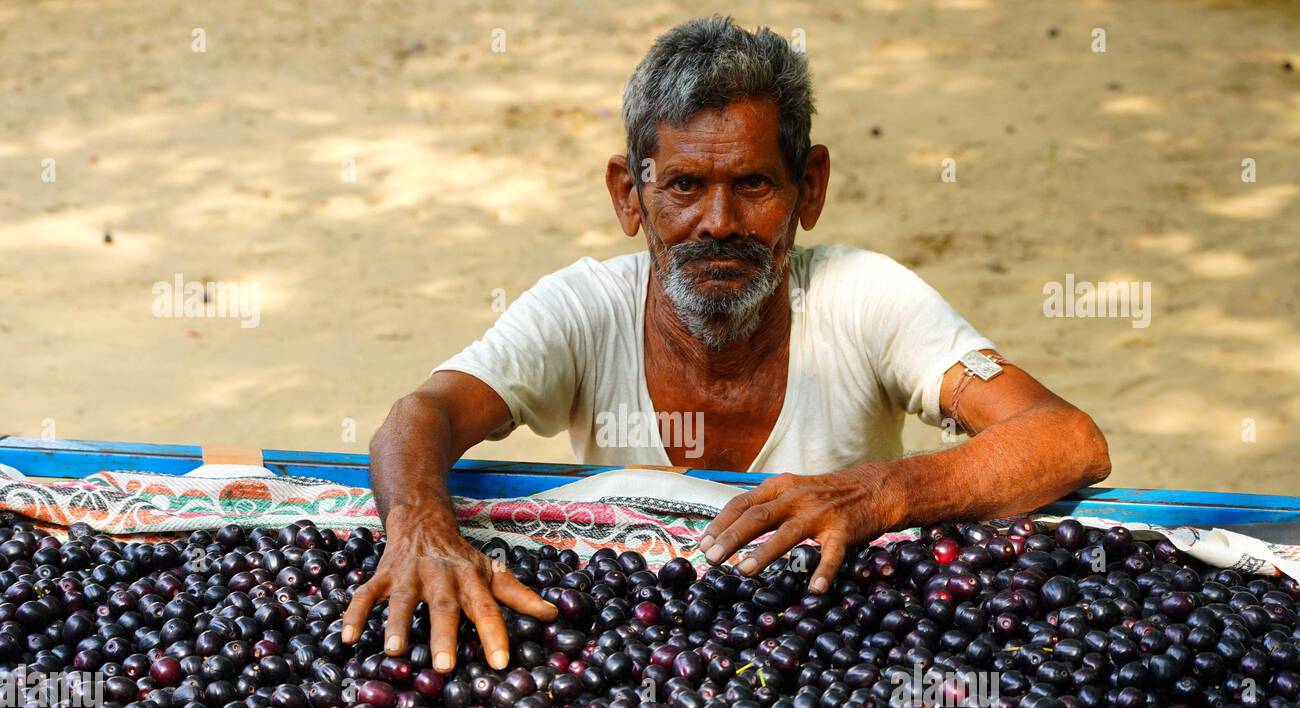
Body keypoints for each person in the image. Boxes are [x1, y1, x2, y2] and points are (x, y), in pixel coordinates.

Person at [341, 16, 1110, 673]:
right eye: (682, 187)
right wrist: (419, 529)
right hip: (637, 653)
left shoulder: (864, 296)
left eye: (752, 185)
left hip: (830, 645)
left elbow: (1066, 439)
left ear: (809, 189)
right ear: (627, 195)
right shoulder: (583, 308)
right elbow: (422, 416)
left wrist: (876, 493)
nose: (717, 222)